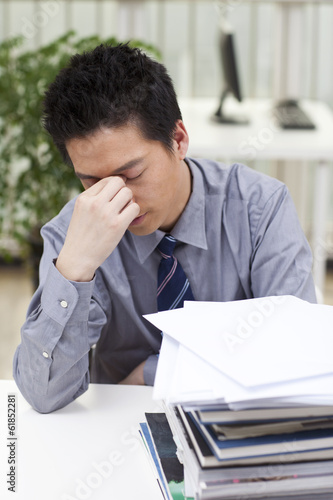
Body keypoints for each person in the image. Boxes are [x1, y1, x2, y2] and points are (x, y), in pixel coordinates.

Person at [13, 43, 316, 413]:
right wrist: (75, 269)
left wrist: (153, 371)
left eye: (132, 174)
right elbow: (43, 395)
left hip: (237, 416)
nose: (116, 199)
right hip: (118, 427)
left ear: (178, 140)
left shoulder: (260, 208)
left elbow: (295, 356)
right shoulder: (73, 234)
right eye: (92, 182)